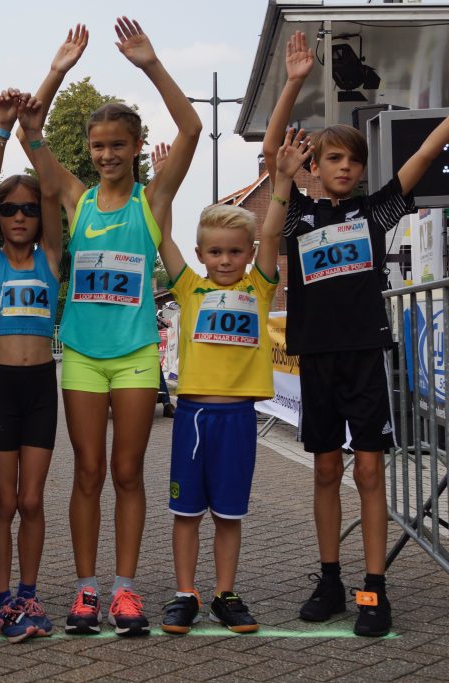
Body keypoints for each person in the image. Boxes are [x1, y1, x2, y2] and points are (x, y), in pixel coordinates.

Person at [263, 31, 449, 638]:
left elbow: (417, 163)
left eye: (354, 162)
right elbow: (273, 155)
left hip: (368, 355)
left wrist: (446, 125)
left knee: (369, 471)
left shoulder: (375, 213)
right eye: (334, 160)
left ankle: (375, 587)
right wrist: (293, 83)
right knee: (323, 471)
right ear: (313, 167)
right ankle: (329, 577)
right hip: (315, 357)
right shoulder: (298, 215)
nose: (346, 169)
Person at [24, 16, 201, 636]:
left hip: (134, 355)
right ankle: (85, 590)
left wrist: (151, 65)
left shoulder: (152, 203)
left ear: (133, 147)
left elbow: (191, 128)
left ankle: (126, 590)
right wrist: (58, 68)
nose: (106, 155)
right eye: (97, 146)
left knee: (128, 473)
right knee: (88, 473)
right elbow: (30, 132)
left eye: (117, 145)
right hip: (80, 354)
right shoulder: (75, 199)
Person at [156, 129, 310, 634]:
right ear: (202, 254)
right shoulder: (190, 286)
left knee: (228, 515)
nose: (225, 261)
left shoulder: (260, 287)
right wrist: (162, 186)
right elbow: (162, 233)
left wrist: (282, 180)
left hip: (238, 418)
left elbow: (272, 225)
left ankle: (225, 593)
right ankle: (185, 593)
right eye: (216, 252)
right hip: (195, 416)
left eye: (234, 252)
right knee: (186, 512)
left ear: (249, 254)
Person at [0, 79, 75, 640]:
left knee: (32, 499)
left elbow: (57, 187)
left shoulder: (52, 257)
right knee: (3, 502)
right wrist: (1, 128)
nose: (17, 216)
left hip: (40, 385)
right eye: (11, 210)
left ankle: (29, 597)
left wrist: (35, 132)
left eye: (28, 210)